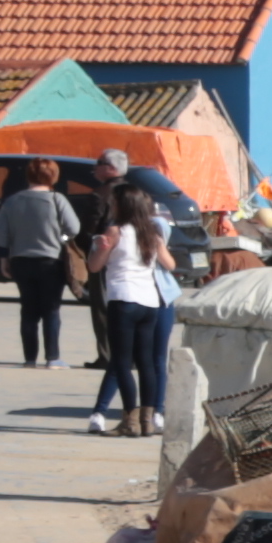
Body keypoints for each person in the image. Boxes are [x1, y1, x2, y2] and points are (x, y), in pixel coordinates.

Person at [89, 183, 181, 436]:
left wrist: (101, 247)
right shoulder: (152, 233)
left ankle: (129, 419)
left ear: (122, 205)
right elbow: (170, 264)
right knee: (147, 363)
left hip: (123, 299)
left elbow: (94, 266)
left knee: (121, 362)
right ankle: (148, 421)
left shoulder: (115, 231)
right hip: (150, 302)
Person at [0, 158, 80, 373]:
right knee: (51, 309)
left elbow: (1, 233)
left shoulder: (12, 201)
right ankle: (53, 358)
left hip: (20, 260)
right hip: (51, 261)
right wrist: (61, 237)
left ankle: (29, 358)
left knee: (28, 310)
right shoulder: (58, 199)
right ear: (53, 176)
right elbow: (74, 228)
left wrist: (3, 259)